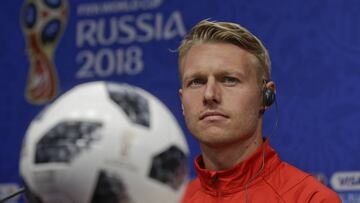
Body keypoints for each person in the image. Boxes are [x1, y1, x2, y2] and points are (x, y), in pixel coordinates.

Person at [177, 19, 341, 202]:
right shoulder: (169, 199)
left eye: (229, 79)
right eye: (197, 82)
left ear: (266, 96)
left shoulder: (311, 199)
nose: (209, 94)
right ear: (182, 101)